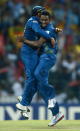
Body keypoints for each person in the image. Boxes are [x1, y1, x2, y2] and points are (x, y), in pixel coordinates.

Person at [17, 10, 64, 126]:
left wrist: (23, 40)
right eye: (41, 19)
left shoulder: (48, 29)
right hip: (42, 56)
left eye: (45, 20)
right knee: (38, 82)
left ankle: (50, 98)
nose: (43, 21)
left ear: (49, 20)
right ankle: (55, 113)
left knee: (37, 75)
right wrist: (56, 32)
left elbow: (38, 44)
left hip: (48, 57)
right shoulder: (45, 28)